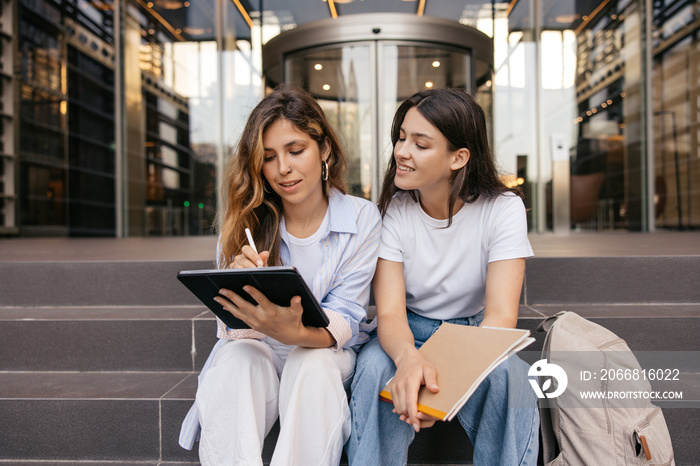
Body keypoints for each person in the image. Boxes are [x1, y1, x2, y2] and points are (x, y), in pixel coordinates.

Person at [178, 84, 381, 465]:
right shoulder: (244, 223)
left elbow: (346, 318)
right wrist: (239, 293)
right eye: (268, 157)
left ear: (324, 150)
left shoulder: (360, 218)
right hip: (260, 357)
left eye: (295, 151)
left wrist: (296, 332)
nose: (283, 169)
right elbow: (231, 331)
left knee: (313, 362)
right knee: (236, 361)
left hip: (324, 354)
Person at [346, 88, 539, 465]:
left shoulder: (503, 209)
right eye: (402, 137)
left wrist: (440, 390)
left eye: (420, 144)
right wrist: (408, 360)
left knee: (514, 380)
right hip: (407, 330)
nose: (402, 151)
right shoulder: (393, 212)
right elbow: (389, 314)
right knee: (372, 369)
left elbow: (500, 317)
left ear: (458, 157)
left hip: (475, 333)